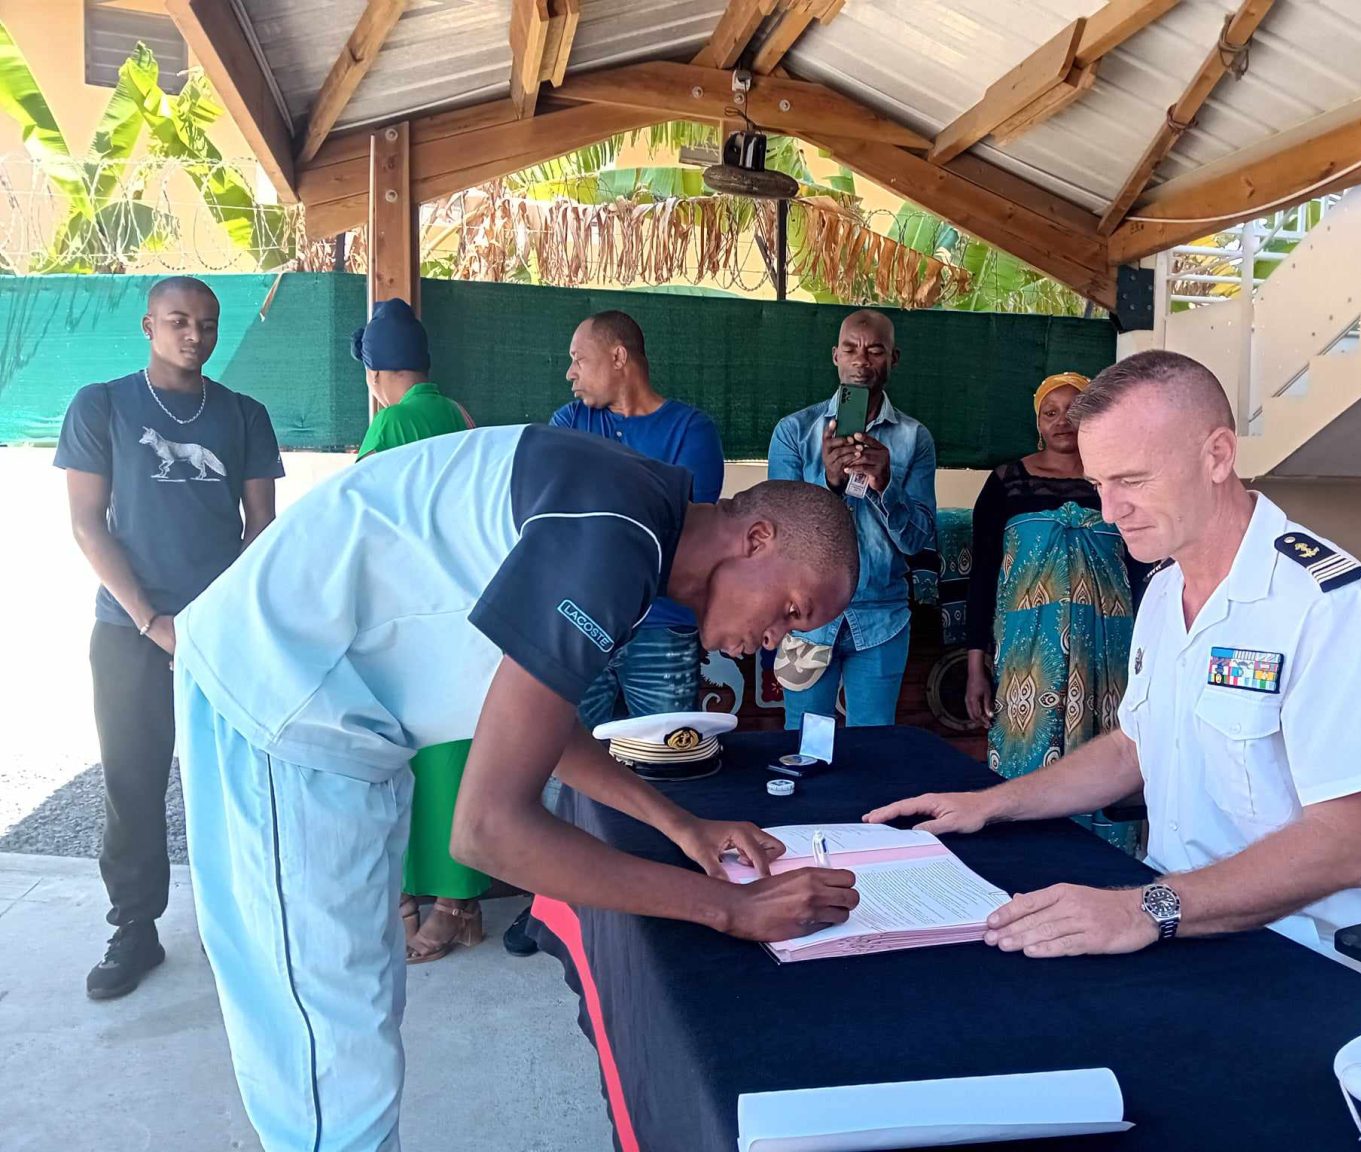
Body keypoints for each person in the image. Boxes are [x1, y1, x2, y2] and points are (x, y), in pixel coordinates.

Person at [172, 424, 861, 1151]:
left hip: (335, 716)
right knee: (329, 1065)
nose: (779, 642)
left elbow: (535, 720)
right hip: (281, 705)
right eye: (793, 611)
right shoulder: (614, 539)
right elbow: (489, 831)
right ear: (757, 539)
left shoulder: (634, 522)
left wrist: (680, 825)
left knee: (357, 1010)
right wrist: (729, 908)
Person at [865, 350, 1361, 985]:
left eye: (1132, 480)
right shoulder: (1163, 590)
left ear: (1217, 456)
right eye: (1100, 484)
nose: (1109, 511)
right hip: (1181, 921)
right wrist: (992, 804)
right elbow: (1133, 748)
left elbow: (1345, 846)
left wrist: (1143, 910)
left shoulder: (1327, 606)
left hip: (1308, 955)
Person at [54, 275, 282, 1000]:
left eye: (207, 323)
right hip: (129, 631)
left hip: (221, 634)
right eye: (179, 321)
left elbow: (262, 528)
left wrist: (215, 620)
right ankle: (135, 928)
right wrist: (154, 622)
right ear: (148, 326)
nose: (195, 335)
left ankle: (243, 924)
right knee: (132, 782)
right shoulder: (102, 406)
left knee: (235, 781)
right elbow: (86, 523)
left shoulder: (244, 414)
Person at [351, 298, 488, 965]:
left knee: (419, 760)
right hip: (465, 610)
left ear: (375, 374)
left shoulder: (391, 423)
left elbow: (359, 524)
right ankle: (459, 905)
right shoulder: (459, 415)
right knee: (458, 754)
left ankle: (443, 905)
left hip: (411, 618)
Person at [964, 371, 1139, 851]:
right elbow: (983, 575)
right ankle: (1026, 859)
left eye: (1074, 411)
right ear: (1038, 422)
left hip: (1109, 655)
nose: (1062, 421)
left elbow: (1142, 570)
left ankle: (1108, 865)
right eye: (1050, 412)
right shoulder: (1006, 482)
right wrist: (976, 666)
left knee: (1111, 751)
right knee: (1027, 753)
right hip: (1027, 660)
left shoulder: (1118, 481)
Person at [550, 311, 725, 728]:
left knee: (665, 751)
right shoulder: (568, 422)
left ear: (618, 357)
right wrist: (644, 503)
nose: (570, 373)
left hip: (662, 627)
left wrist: (598, 507)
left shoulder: (692, 429)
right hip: (579, 623)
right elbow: (556, 519)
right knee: (573, 757)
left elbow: (685, 533)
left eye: (579, 359)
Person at [768, 309, 936, 728]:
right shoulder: (794, 432)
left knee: (873, 744)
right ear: (835, 356)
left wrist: (885, 484)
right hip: (806, 615)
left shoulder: (914, 438)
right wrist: (827, 482)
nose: (861, 360)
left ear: (894, 358)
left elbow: (917, 540)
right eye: (850, 349)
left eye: (875, 350)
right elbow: (779, 535)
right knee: (806, 744)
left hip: (882, 617)